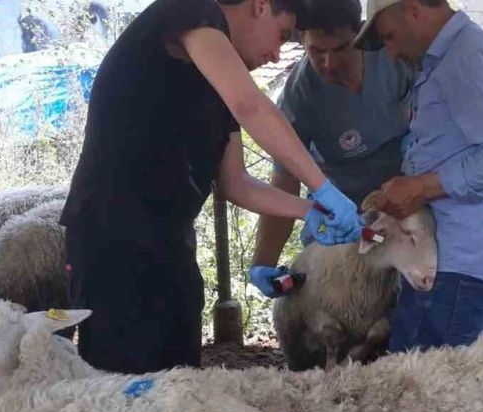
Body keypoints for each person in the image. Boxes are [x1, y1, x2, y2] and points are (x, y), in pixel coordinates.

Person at [59, 0, 364, 374]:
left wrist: (312, 211)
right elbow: (250, 105)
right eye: (282, 36)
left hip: (171, 246)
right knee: (121, 386)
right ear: (260, 5)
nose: (274, 55)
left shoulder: (216, 83)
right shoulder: (188, 11)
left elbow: (236, 183)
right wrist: (323, 186)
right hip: (113, 244)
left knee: (181, 382)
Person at [353, 0, 483, 350]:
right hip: (456, 262)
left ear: (412, 9)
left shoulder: (468, 60)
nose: (391, 54)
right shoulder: (450, 58)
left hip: (462, 269)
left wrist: (421, 187)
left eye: (390, 37)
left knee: (424, 392)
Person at [248, 0, 413, 296]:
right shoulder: (300, 95)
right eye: (316, 52)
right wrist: (263, 262)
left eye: (340, 49)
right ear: (302, 43)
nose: (329, 63)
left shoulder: (396, 60)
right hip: (340, 229)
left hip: (406, 210)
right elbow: (285, 181)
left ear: (361, 33)